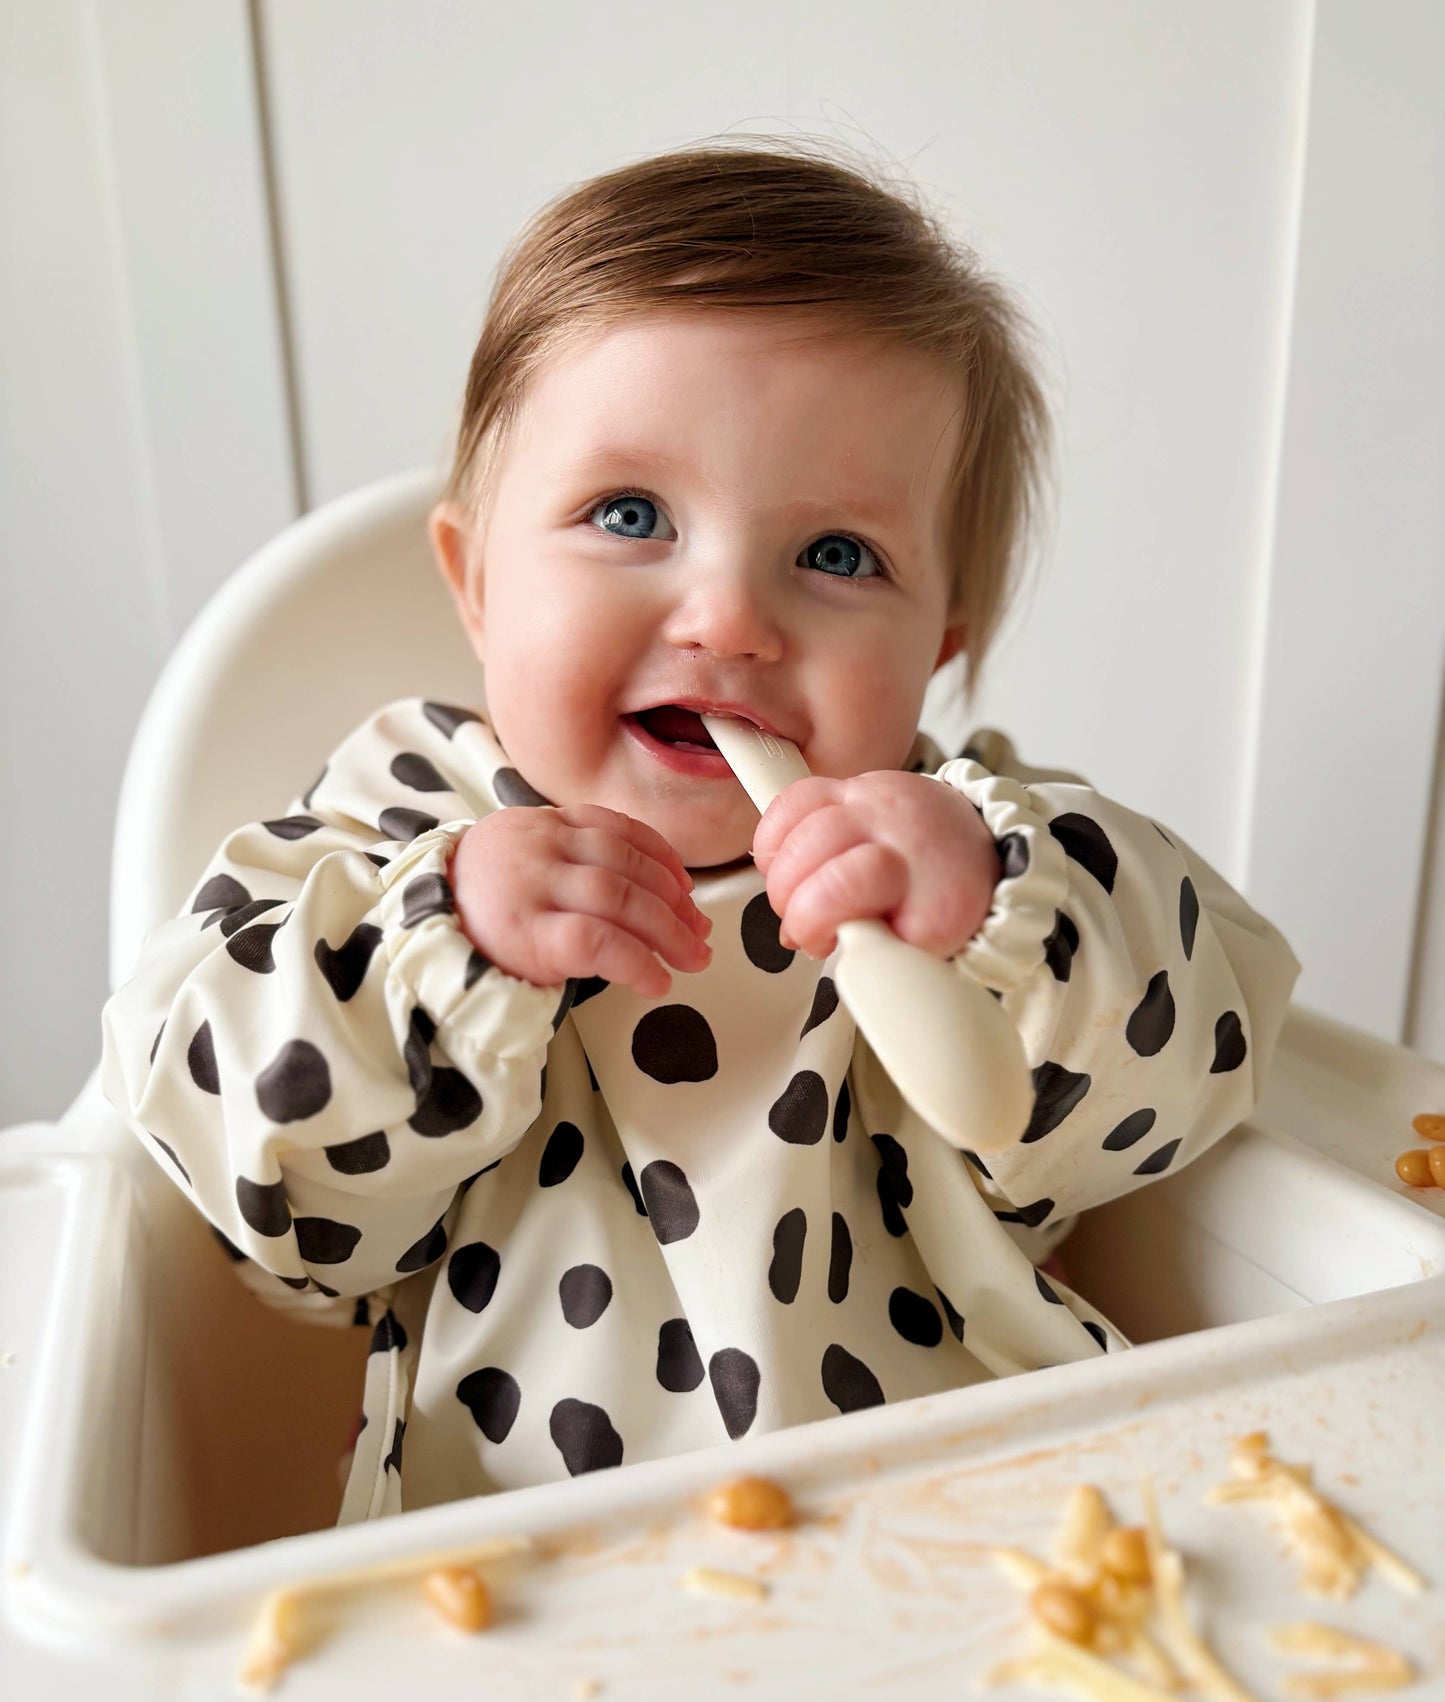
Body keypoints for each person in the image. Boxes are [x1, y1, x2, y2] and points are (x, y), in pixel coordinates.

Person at [100, 138, 1301, 1521]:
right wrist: (443, 950)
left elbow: (1201, 1064)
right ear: (475, 581)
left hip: (980, 1518)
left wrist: (997, 906)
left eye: (837, 556)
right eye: (630, 515)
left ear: (936, 649)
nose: (729, 618)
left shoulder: (974, 849)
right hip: (523, 1560)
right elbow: (270, 1214)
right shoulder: (394, 832)